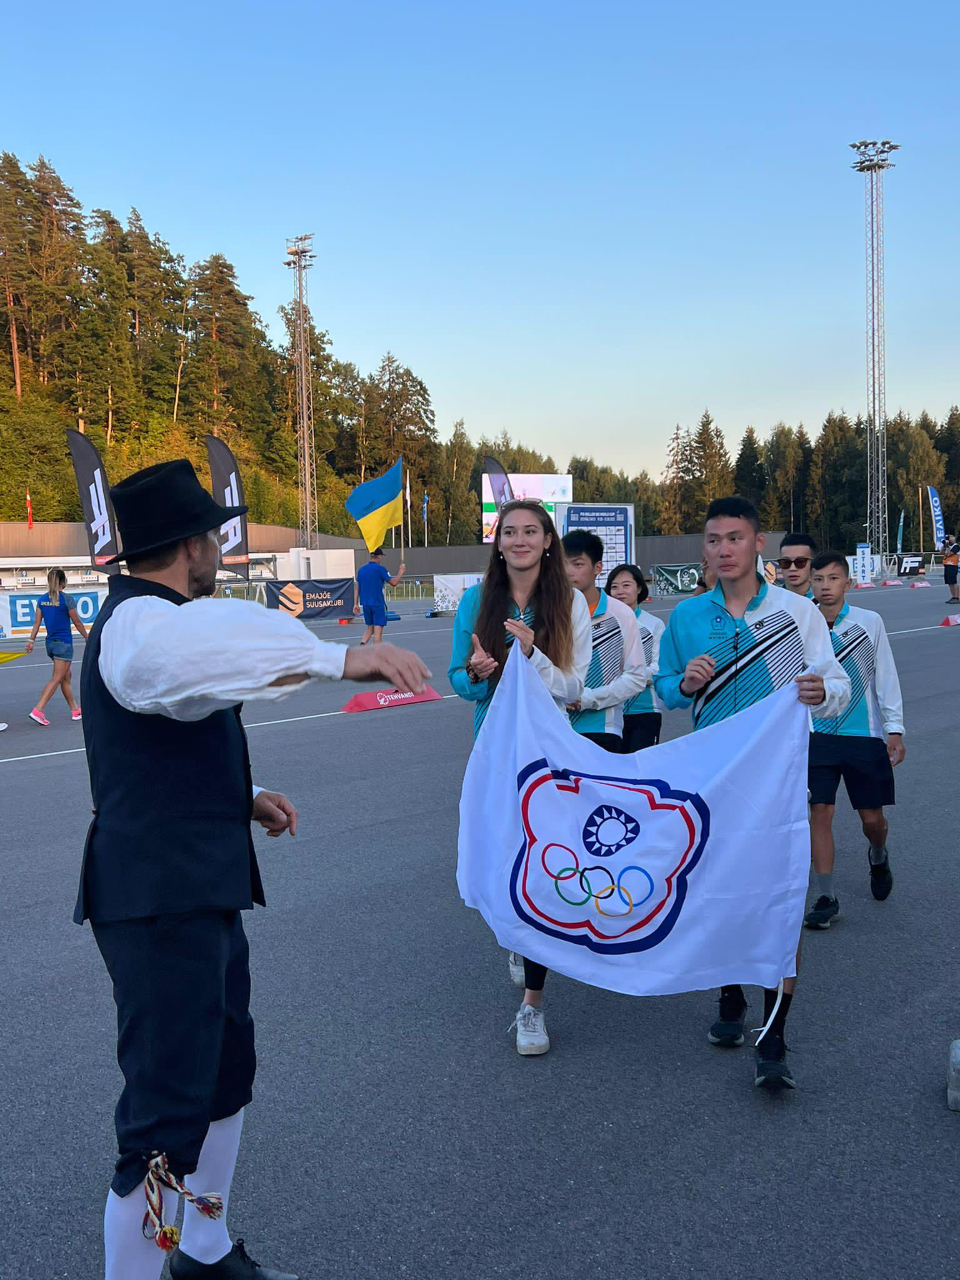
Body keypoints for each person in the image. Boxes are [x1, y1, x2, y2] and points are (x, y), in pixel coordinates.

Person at [77, 460, 430, 1280]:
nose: (221, 551)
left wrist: (244, 795)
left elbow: (174, 719)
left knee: (224, 1077)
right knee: (163, 1120)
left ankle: (203, 1250)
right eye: (214, 536)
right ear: (189, 544)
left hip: (195, 888)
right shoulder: (140, 623)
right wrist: (337, 660)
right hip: (157, 899)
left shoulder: (160, 620)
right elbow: (188, 665)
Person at [655, 496, 849, 1091]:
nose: (724, 549)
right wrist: (684, 683)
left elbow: (837, 682)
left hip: (779, 782)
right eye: (713, 540)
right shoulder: (687, 616)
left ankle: (774, 1036)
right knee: (717, 895)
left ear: (757, 544)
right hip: (711, 782)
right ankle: (730, 993)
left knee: (779, 903)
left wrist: (823, 693)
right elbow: (664, 688)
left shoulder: (796, 612)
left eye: (735, 538)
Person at [448, 500, 591, 1056]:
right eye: (510, 532)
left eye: (531, 531)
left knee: (541, 864)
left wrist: (531, 655)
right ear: (499, 542)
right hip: (495, 746)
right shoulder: (475, 600)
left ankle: (532, 1004)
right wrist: (477, 672)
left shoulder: (569, 602)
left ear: (548, 541)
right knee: (505, 854)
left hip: (549, 752)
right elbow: (458, 678)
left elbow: (573, 688)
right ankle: (515, 932)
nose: (520, 540)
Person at [804, 551, 905, 929]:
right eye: (818, 579)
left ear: (847, 583)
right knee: (820, 811)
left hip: (863, 735)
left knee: (872, 819)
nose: (825, 586)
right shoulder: (801, 624)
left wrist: (894, 730)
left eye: (833, 579)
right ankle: (826, 896)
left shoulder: (869, 622)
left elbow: (885, 676)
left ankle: (878, 854)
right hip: (817, 735)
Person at [561, 530, 646, 752]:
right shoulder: (549, 613)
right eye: (563, 564)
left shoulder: (621, 614)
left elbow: (636, 678)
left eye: (577, 564)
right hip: (556, 729)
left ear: (597, 568)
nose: (568, 572)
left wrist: (589, 699)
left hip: (603, 730)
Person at [606, 563, 665, 750]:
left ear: (639, 588)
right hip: (608, 712)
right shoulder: (602, 624)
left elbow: (659, 668)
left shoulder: (654, 624)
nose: (620, 591)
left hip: (644, 710)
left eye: (626, 585)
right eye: (614, 587)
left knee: (641, 765)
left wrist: (630, 678)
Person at [24, 567, 89, 725]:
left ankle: (75, 709)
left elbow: (37, 623)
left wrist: (31, 641)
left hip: (51, 644)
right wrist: (88, 637)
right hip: (63, 644)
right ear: (63, 582)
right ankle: (38, 709)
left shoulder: (42, 600)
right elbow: (77, 622)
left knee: (66, 676)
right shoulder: (67, 599)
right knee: (57, 678)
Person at [353, 547, 405, 643]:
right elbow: (394, 582)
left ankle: (362, 645)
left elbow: (357, 587)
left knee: (370, 628)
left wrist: (355, 604)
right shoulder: (380, 569)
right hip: (377, 603)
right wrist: (400, 572)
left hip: (366, 603)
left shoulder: (361, 570)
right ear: (379, 556)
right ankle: (376, 651)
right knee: (378, 631)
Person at [778, 531, 817, 597]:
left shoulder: (825, 600)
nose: (792, 568)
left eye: (800, 562)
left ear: (813, 563)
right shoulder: (769, 599)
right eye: (786, 562)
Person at [941, 533, 959, 604]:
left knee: (953, 582)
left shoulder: (956, 546)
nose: (949, 539)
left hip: (953, 565)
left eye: (950, 538)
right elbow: (941, 553)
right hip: (947, 565)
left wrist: (948, 546)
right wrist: (944, 546)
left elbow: (949, 554)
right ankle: (953, 596)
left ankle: (956, 597)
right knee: (949, 582)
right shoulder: (947, 546)